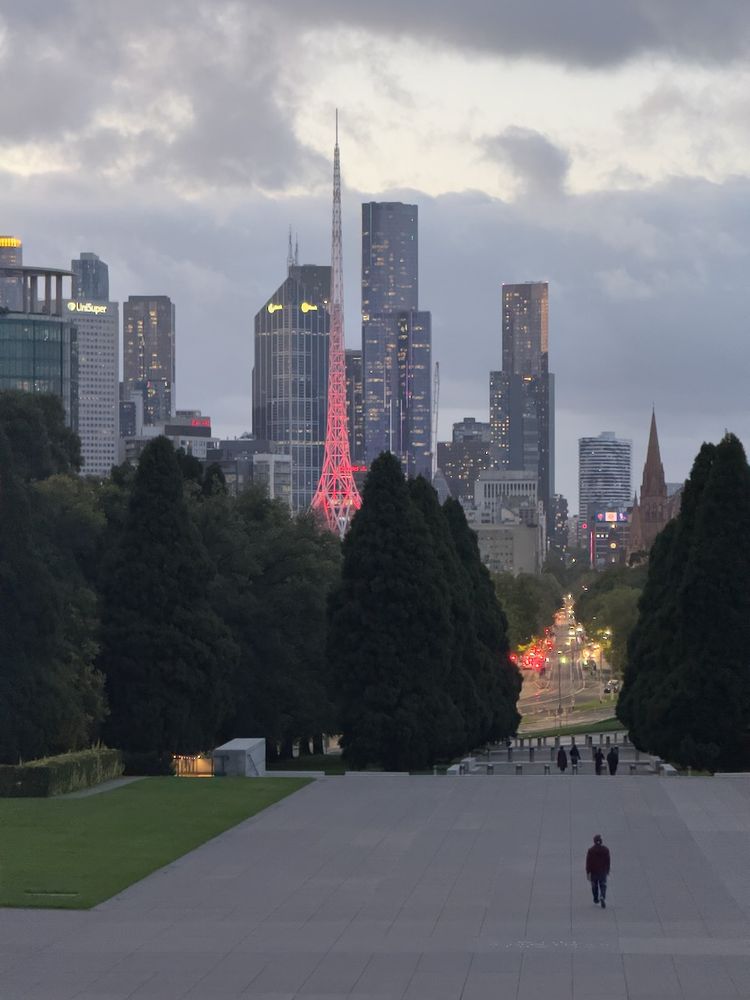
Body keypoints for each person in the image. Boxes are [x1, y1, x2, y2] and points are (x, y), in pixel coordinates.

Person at [586, 834, 611, 908]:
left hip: (594, 872)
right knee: (603, 885)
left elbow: (588, 862)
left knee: (594, 886)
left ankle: (596, 899)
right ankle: (602, 896)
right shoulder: (606, 850)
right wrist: (607, 869)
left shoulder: (591, 850)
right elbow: (608, 861)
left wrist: (588, 872)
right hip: (602, 871)